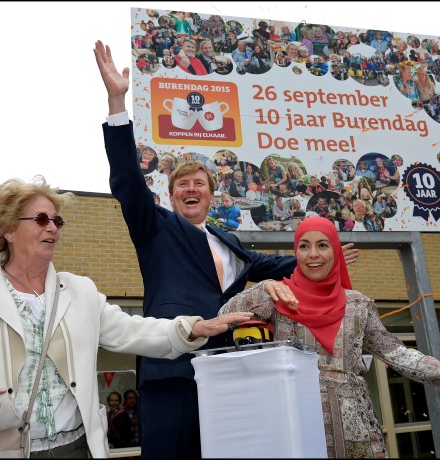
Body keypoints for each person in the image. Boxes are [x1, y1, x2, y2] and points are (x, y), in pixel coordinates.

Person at [93, 40, 360, 459]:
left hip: (225, 371)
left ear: (212, 195)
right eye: (183, 184)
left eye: (200, 183)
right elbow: (128, 181)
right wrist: (115, 102)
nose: (191, 188)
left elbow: (276, 265)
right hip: (172, 368)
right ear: (172, 194)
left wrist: (325, 256)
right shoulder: (155, 228)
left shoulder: (228, 242)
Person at [0, 175, 252, 458]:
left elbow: (132, 331)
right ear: (7, 230)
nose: (54, 228)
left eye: (57, 220)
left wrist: (191, 328)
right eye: (42, 219)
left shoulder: (80, 291)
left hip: (75, 448)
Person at [218, 216, 440, 458]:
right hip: (294, 418)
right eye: (304, 247)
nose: (313, 255)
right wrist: (264, 286)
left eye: (322, 245)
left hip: (354, 425)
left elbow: (397, 354)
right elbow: (225, 315)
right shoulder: (278, 295)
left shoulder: (358, 304)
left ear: (336, 253)